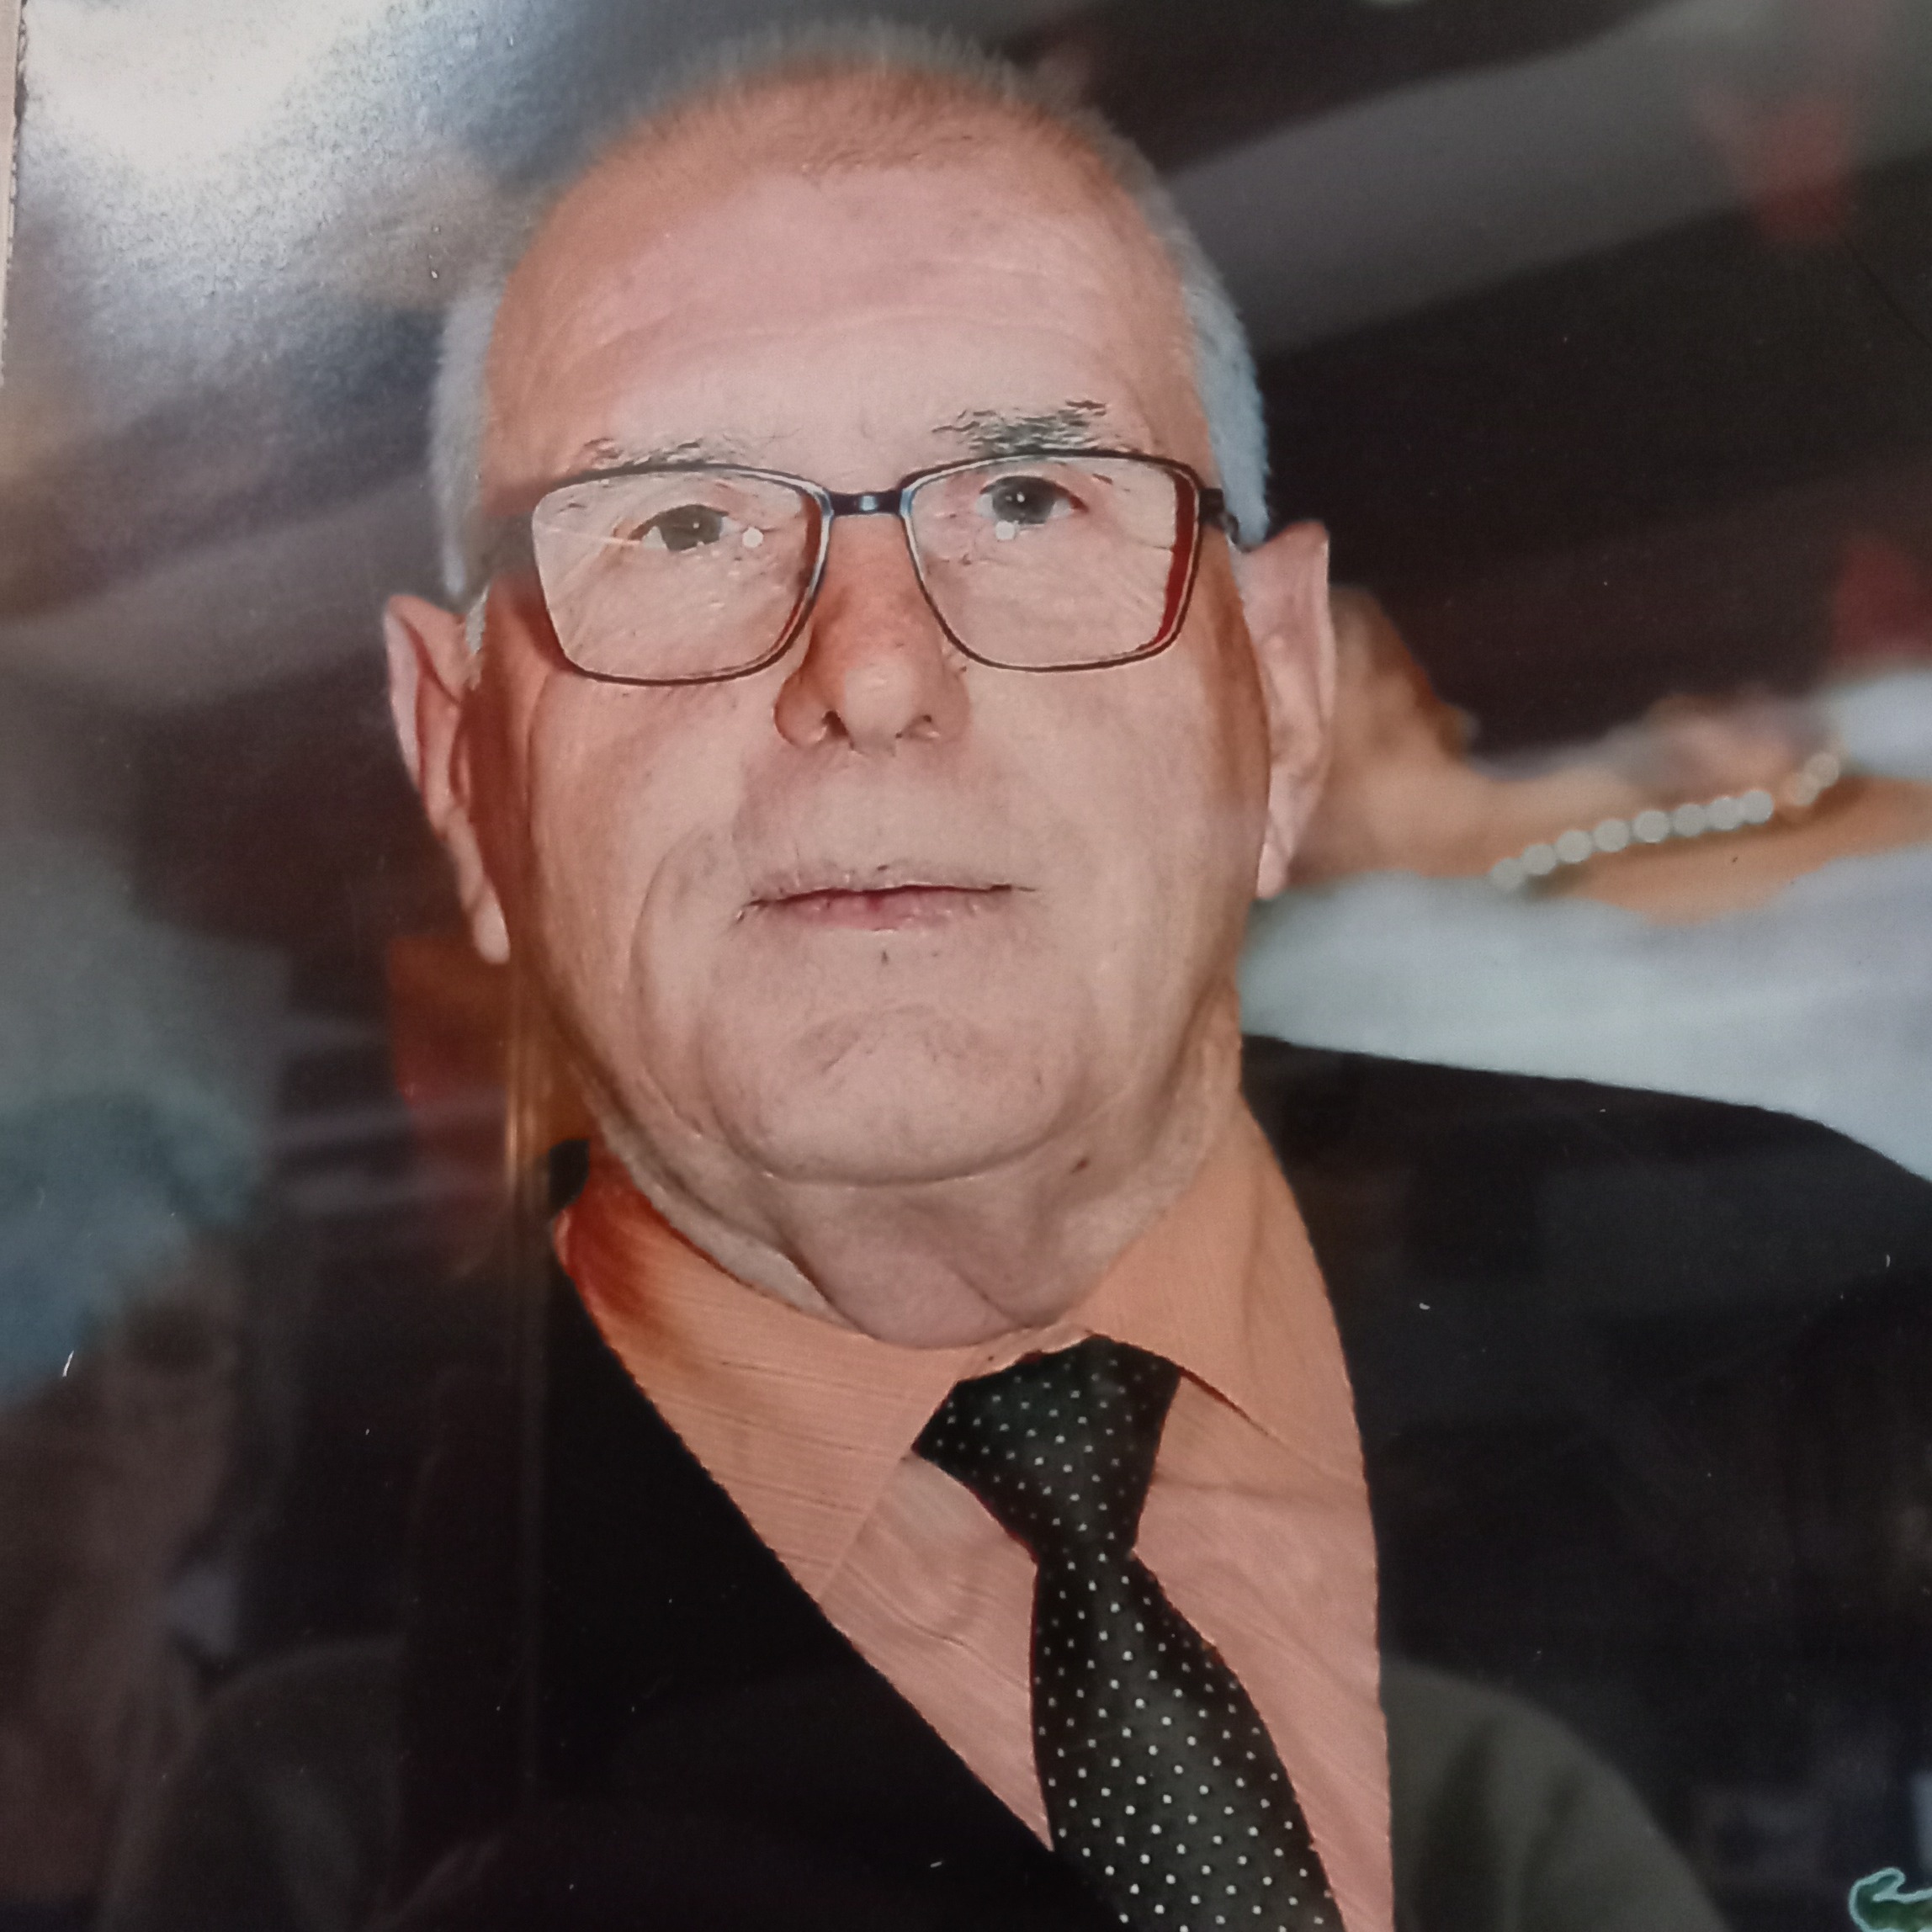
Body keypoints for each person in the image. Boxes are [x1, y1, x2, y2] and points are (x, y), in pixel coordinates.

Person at [129, 24, 1932, 1932]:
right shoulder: (302, 1779)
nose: (871, 671)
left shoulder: (1838, 1334)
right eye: (679, 522)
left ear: (1280, 698)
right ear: (460, 761)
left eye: (1028, 498)